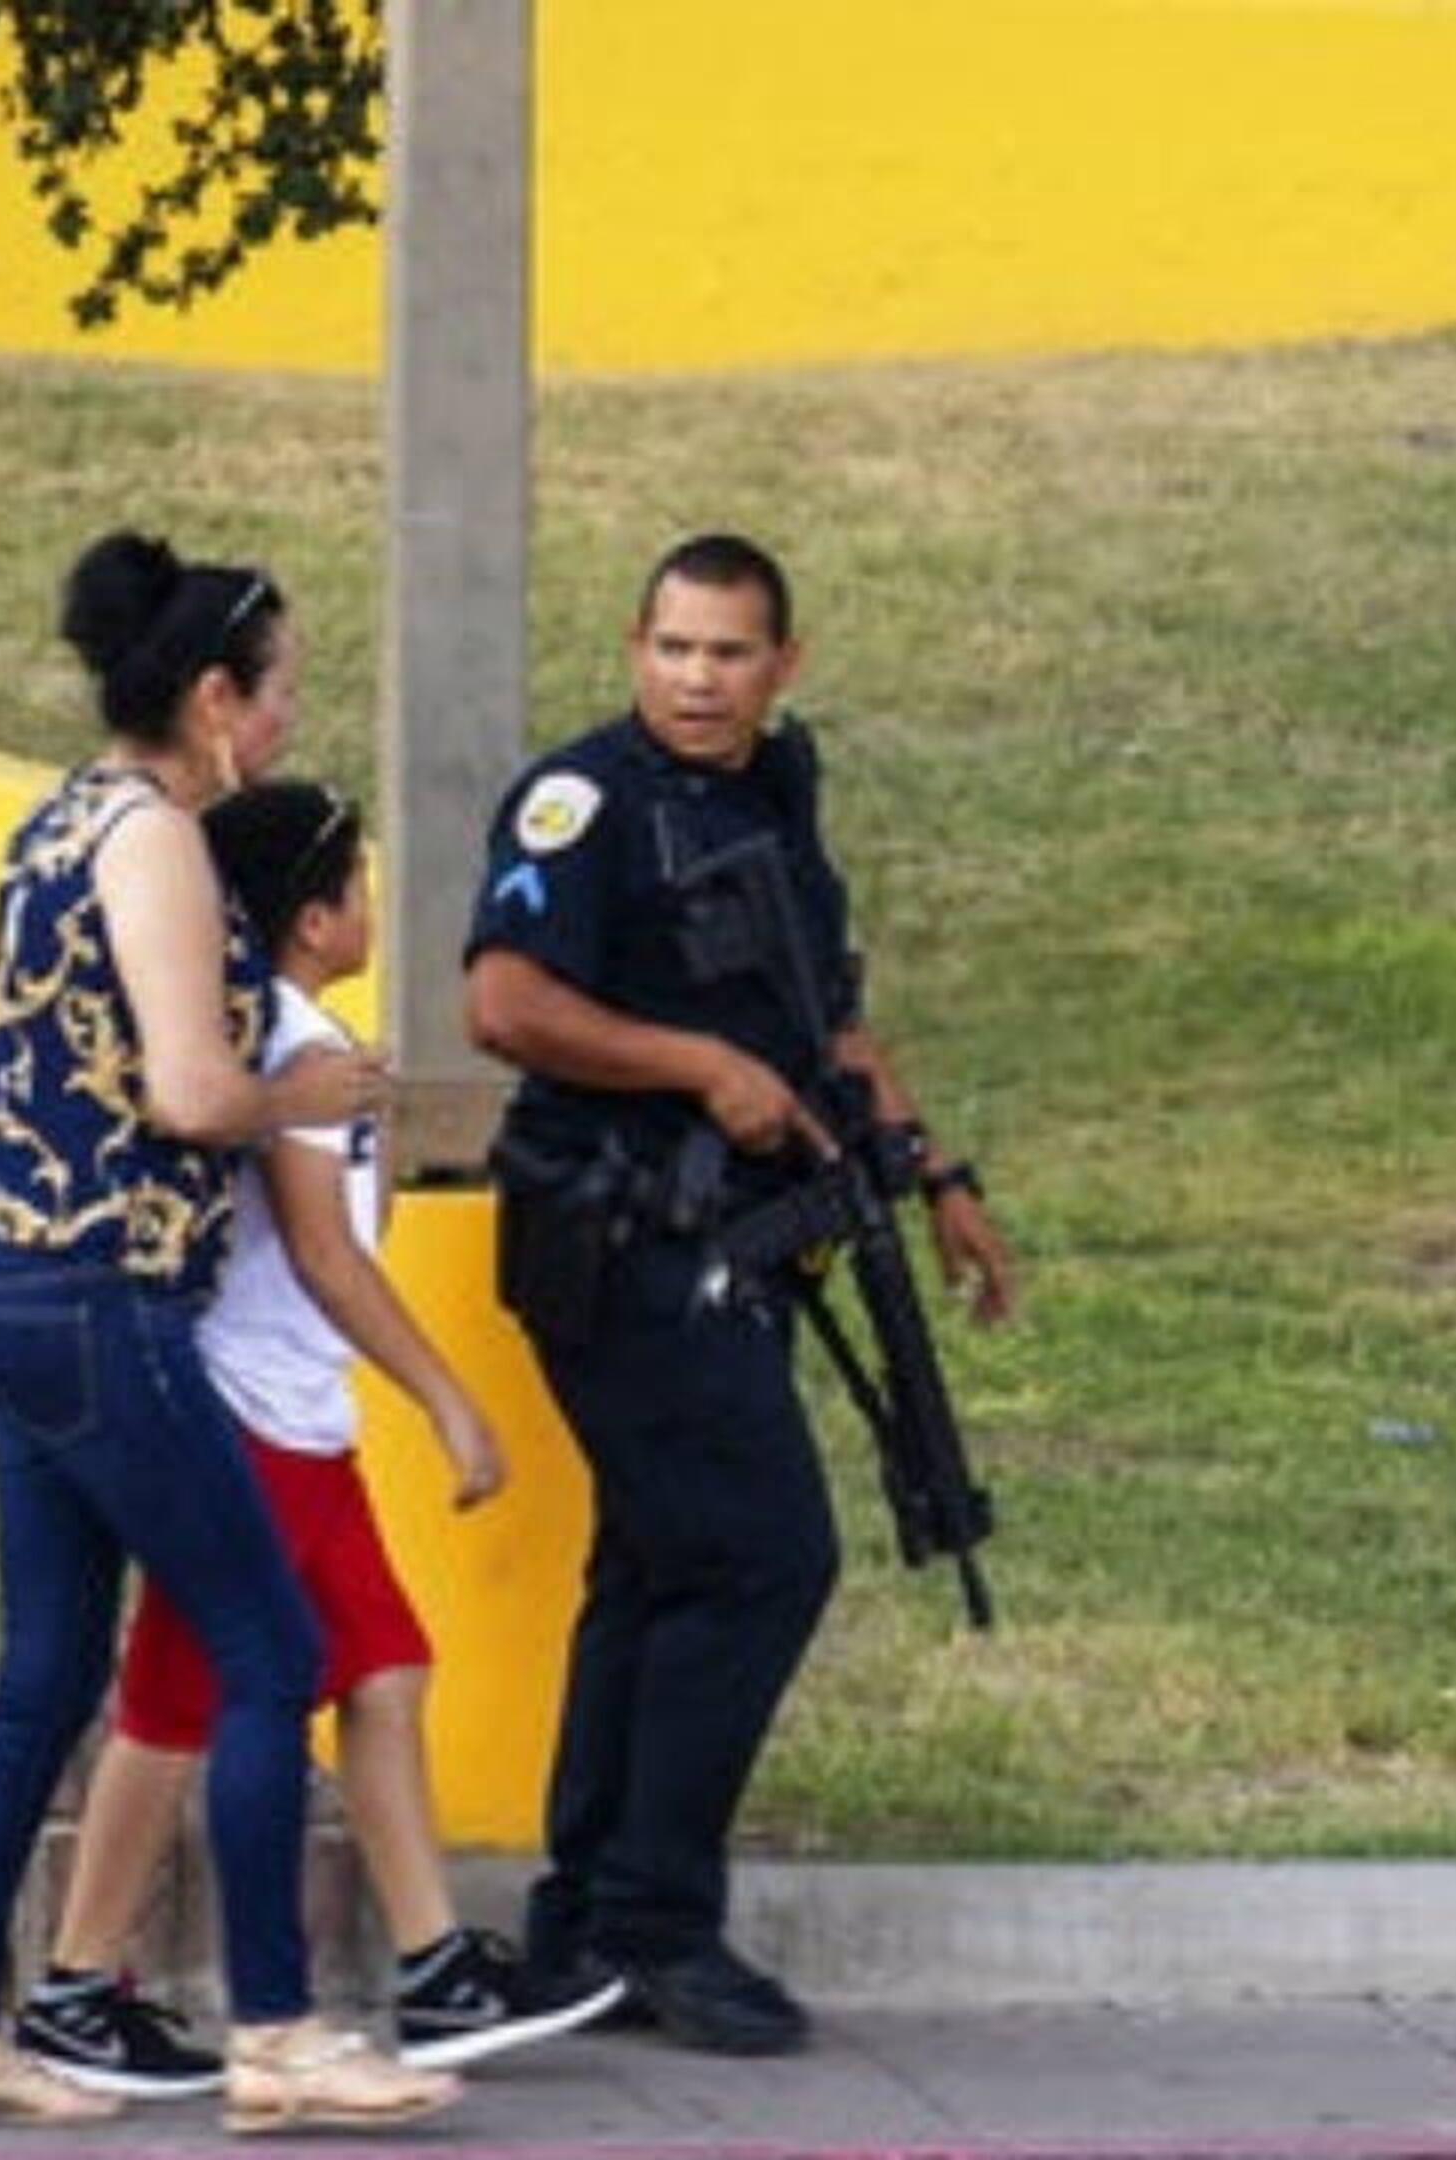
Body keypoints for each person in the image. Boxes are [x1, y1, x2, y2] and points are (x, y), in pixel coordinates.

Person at [0, 531, 460, 2134]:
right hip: (103, 1303)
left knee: (47, 1676)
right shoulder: (156, 845)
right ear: (215, 698)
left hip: (8, 1297)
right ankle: (276, 2037)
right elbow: (191, 1094)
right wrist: (303, 1095)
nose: (287, 724)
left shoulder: (54, 819)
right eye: (278, 693)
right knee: (274, 1652)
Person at [463, 533, 1018, 2055]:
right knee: (763, 1557)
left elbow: (823, 1019)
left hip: (733, 1249)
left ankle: (588, 1921)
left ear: (785, 664)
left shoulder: (773, 797)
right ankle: (654, 1925)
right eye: (674, 649)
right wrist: (700, 1068)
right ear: (634, 647)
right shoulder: (582, 805)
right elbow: (504, 1002)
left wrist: (937, 1173)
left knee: (659, 1567)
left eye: (728, 654)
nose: (698, 680)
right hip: (620, 1240)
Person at [9, 780, 620, 2098]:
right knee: (174, 1709)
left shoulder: (301, 1042)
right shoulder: (282, 1049)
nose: (373, 902)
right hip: (249, 1429)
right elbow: (332, 1262)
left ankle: (434, 1970)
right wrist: (451, 1403)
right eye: (357, 880)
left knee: (387, 1673)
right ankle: (74, 1986)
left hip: (301, 1423)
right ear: (311, 912)